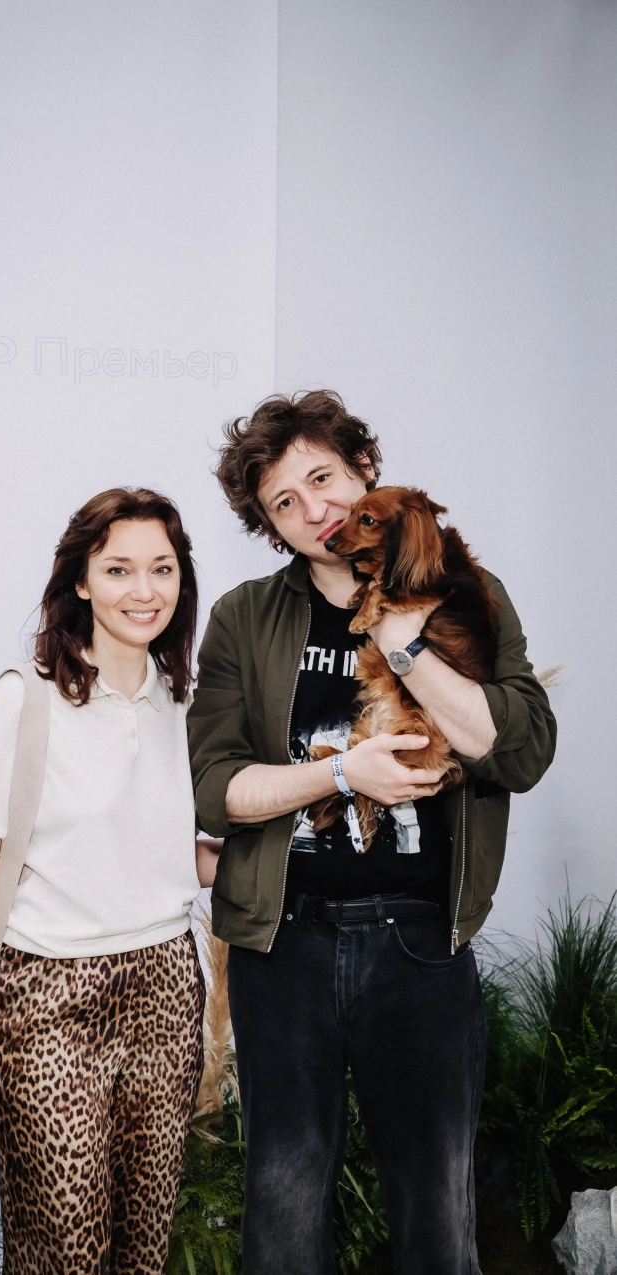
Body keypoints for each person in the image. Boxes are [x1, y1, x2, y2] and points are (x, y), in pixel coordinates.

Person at [187, 391, 557, 1274]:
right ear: (270, 526)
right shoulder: (244, 616)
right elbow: (214, 792)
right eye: (285, 502)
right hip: (282, 948)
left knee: (436, 1223)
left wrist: (406, 646)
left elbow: (523, 751)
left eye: (323, 478)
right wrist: (343, 775)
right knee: (283, 1223)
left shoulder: (468, 593)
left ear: (363, 467)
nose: (315, 510)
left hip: (421, 947)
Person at [0, 487, 220, 1275]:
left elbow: (170, 856)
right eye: (119, 568)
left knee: (143, 1246)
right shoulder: (24, 698)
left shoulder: (184, 703)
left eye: (162, 568)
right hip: (47, 997)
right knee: (63, 1249)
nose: (144, 589)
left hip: (166, 989)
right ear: (82, 581)